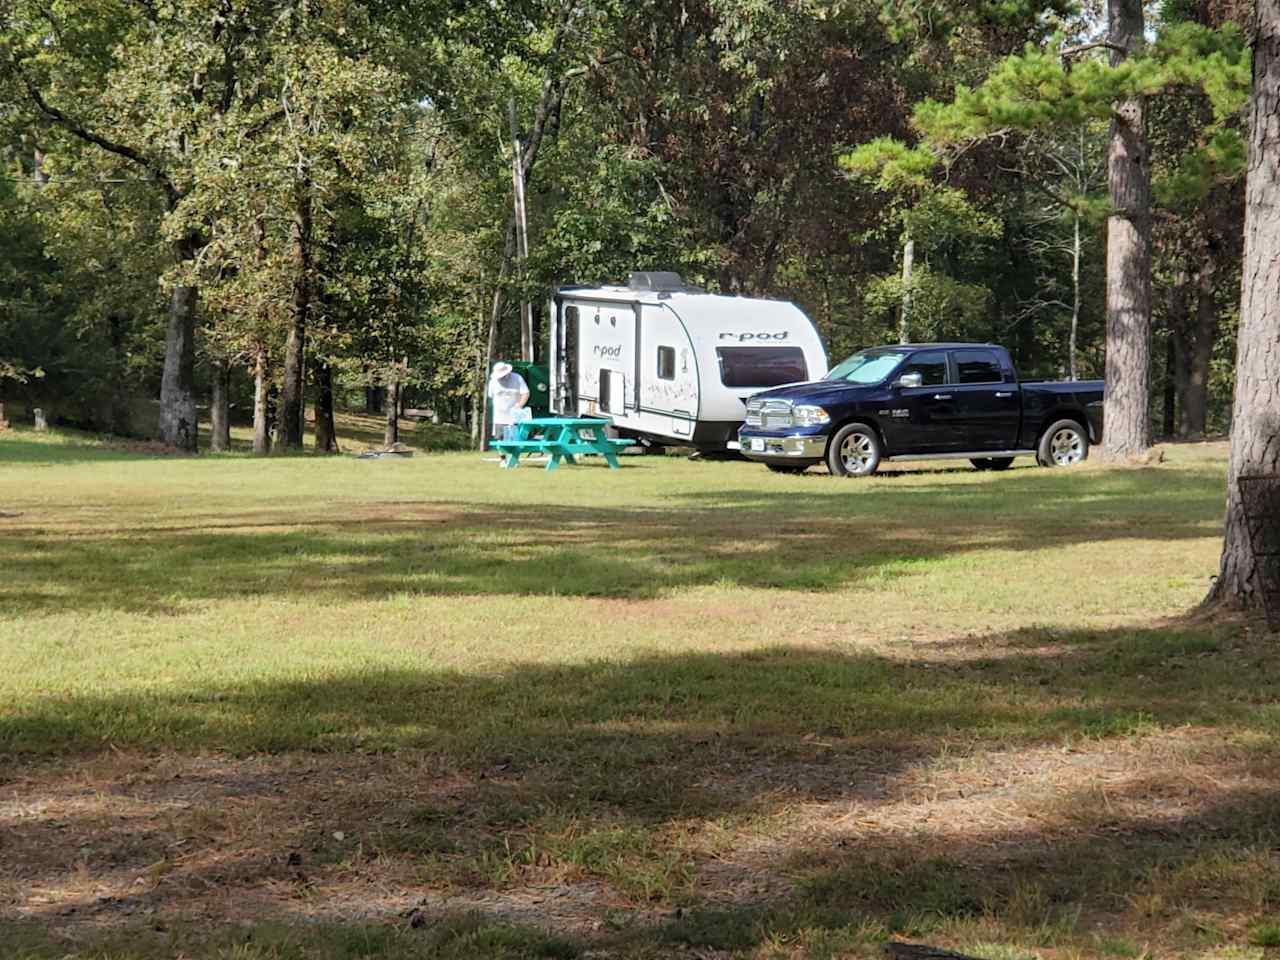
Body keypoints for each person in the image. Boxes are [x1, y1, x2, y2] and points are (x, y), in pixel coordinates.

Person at [488, 361, 530, 443]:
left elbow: (525, 393)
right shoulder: (493, 382)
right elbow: (491, 395)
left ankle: (512, 454)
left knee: (514, 439)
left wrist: (520, 405)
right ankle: (502, 455)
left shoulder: (517, 378)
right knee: (499, 438)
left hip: (514, 416)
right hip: (499, 416)